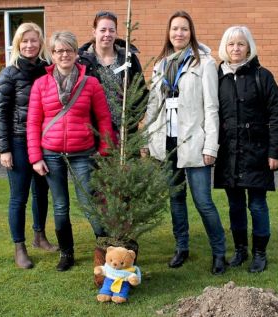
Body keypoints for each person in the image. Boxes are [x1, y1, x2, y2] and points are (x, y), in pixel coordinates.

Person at [145, 11, 227, 274]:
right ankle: (181, 247)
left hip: (194, 144)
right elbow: (153, 105)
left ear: (191, 33)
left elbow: (212, 108)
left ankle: (219, 253)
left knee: (203, 201)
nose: (178, 33)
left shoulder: (204, 63)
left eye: (184, 29)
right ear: (168, 33)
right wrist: (146, 141)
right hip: (166, 143)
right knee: (176, 200)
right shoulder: (160, 65)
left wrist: (211, 147)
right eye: (174, 29)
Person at [27, 31, 113, 271]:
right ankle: (67, 253)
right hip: (51, 153)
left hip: (83, 153)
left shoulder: (91, 83)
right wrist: (35, 157)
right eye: (58, 50)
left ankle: (107, 249)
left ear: (77, 53)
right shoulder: (41, 85)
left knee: (88, 203)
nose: (64, 54)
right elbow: (33, 123)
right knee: (61, 206)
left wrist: (104, 149)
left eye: (68, 50)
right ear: (52, 54)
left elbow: (104, 119)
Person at [214, 26, 278, 273]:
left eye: (241, 44)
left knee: (257, 204)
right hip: (229, 153)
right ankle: (240, 250)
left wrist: (275, 151)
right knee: (235, 205)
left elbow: (277, 113)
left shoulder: (262, 76)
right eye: (232, 44)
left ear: (249, 47)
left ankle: (259, 253)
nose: (236, 48)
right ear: (225, 46)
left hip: (257, 151)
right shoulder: (218, 76)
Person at [0, 22, 58, 270]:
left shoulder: (47, 71)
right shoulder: (7, 75)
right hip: (19, 142)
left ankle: (39, 236)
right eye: (25, 41)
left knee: (42, 193)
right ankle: (19, 247)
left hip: (43, 141)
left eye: (34, 40)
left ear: (40, 43)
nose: (30, 45)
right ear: (18, 44)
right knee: (18, 197)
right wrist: (4, 149)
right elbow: (1, 114)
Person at [78, 10, 147, 139]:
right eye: (103, 30)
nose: (107, 34)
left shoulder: (127, 58)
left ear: (116, 33)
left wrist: (133, 119)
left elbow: (141, 91)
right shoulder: (82, 61)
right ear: (94, 32)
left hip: (125, 134)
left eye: (111, 30)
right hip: (93, 135)